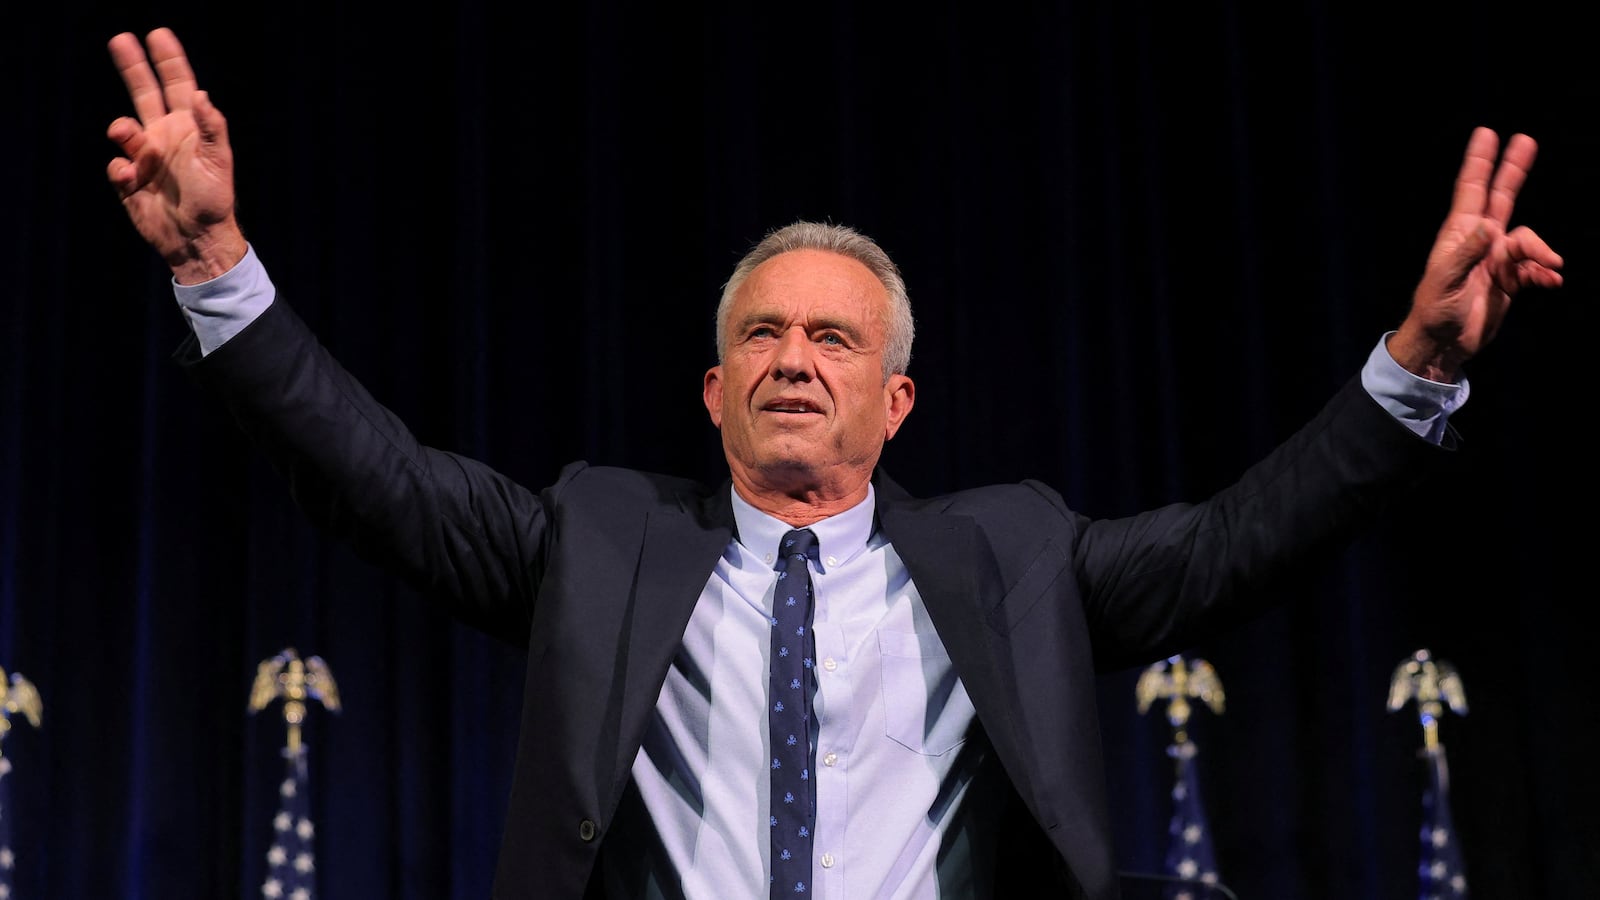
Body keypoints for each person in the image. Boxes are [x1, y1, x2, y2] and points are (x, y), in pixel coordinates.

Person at [104, 26, 1562, 900]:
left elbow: (1254, 534)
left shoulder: (1016, 556)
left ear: (898, 400)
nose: (795, 357)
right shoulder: (595, 538)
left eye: (834, 340)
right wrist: (220, 268)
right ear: (715, 388)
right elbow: (378, 474)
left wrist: (1418, 366)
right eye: (763, 335)